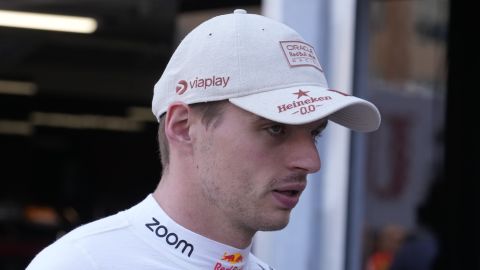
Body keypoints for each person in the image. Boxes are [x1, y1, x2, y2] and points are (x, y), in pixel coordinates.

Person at [26, 9, 381, 270]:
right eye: (276, 129)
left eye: (315, 134)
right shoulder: (81, 263)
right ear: (183, 126)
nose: (310, 161)